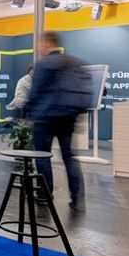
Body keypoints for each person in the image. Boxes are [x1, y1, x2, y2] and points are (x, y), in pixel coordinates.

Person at [25, 31, 91, 210]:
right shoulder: (76, 63)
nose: (38, 48)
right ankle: (77, 198)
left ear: (47, 44)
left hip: (45, 119)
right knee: (69, 157)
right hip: (68, 118)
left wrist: (26, 114)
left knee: (42, 157)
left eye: (40, 45)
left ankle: (45, 195)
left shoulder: (43, 64)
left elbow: (35, 93)